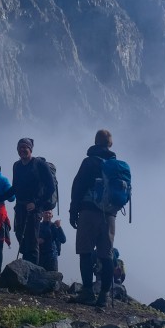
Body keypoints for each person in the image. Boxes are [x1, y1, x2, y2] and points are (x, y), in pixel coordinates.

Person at [69, 129, 120, 307]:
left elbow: (78, 187)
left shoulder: (89, 162)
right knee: (106, 255)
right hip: (109, 216)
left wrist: (72, 211)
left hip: (88, 212)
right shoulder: (116, 166)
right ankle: (104, 296)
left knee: (85, 252)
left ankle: (88, 292)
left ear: (96, 142)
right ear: (110, 144)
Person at [9, 138, 56, 265]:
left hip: (34, 209)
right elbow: (14, 187)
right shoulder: (17, 165)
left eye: (25, 147)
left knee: (32, 240)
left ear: (30, 149)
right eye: (20, 147)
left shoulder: (40, 164)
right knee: (20, 236)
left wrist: (36, 203)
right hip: (20, 206)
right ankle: (26, 266)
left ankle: (32, 272)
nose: (22, 150)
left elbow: (51, 188)